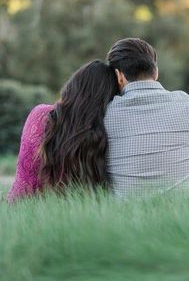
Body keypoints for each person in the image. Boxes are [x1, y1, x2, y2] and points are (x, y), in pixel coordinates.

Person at [104, 38, 189, 197]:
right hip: (187, 213)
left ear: (118, 76)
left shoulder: (104, 114)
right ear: (156, 71)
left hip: (124, 216)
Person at [7, 60, 119, 202]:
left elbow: (24, 179)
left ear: (74, 85)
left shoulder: (41, 115)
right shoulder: (104, 128)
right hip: (76, 214)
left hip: (24, 208)